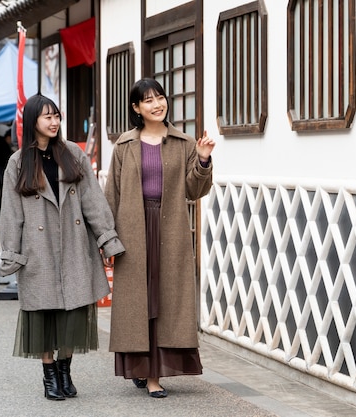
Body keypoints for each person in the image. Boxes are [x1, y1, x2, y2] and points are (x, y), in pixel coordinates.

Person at [0, 94, 125, 401]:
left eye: (57, 116)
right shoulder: (18, 163)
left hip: (74, 244)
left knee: (73, 313)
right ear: (33, 122)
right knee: (44, 315)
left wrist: (107, 238)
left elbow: (93, 200)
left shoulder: (73, 154)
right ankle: (49, 375)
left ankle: (66, 369)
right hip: (37, 250)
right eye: (47, 117)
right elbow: (11, 214)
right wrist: (12, 254)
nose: (54, 122)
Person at [105, 78, 215, 398]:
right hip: (133, 230)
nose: (157, 104)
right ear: (136, 108)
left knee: (164, 301)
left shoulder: (182, 143)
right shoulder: (125, 145)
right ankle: (144, 369)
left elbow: (195, 191)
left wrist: (203, 159)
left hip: (170, 230)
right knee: (141, 301)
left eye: (160, 97)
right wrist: (107, 239)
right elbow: (111, 194)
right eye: (148, 100)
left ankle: (154, 374)